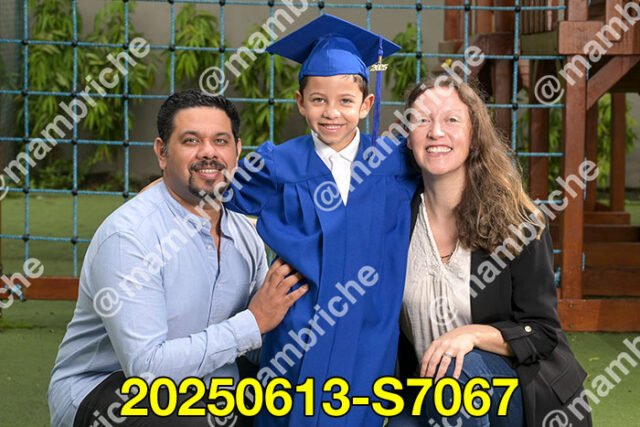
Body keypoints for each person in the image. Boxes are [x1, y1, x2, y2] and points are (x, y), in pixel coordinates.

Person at [48, 90, 308, 427]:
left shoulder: (245, 234)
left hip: (210, 388)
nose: (208, 152)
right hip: (111, 389)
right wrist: (254, 322)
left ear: (237, 150)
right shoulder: (130, 237)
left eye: (220, 141)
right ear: (162, 152)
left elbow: (256, 344)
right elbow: (148, 371)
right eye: (191, 141)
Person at [223, 14, 419, 427]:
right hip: (298, 323)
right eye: (318, 100)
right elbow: (213, 193)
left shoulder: (395, 163)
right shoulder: (278, 164)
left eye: (346, 101)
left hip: (369, 324)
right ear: (300, 102)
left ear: (366, 105)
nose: (332, 113)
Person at [388, 76, 591, 426]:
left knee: (460, 372)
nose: (436, 131)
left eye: (452, 119)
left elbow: (542, 332)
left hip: (517, 392)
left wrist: (471, 335)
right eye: (421, 120)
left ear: (474, 135)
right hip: (428, 395)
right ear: (408, 136)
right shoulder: (394, 223)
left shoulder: (516, 222)